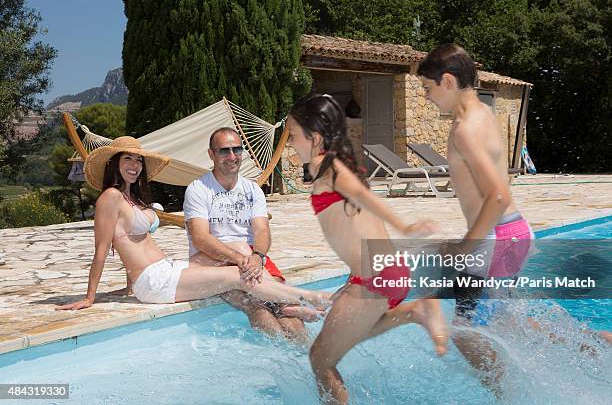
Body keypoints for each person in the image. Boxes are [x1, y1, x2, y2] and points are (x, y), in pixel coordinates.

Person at [286, 94, 449, 404]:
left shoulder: (326, 165)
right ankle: (415, 311)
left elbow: (363, 196)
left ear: (315, 136)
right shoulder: (332, 166)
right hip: (382, 273)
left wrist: (405, 227)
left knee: (320, 359)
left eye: (294, 135)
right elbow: (355, 230)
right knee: (345, 339)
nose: (291, 144)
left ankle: (418, 310)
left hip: (376, 278)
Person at [56, 136, 330, 312]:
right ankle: (309, 299)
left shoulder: (132, 199)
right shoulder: (110, 198)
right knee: (236, 276)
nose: (134, 165)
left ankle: (284, 305)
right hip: (154, 282)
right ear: (114, 163)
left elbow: (132, 242)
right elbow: (102, 250)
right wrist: (90, 297)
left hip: (165, 269)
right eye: (127, 159)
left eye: (138, 160)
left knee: (238, 253)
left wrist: (129, 286)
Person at [417, 44, 535, 396]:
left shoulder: (465, 129)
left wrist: (465, 247)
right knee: (506, 321)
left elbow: (496, 195)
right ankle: (597, 343)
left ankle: (508, 397)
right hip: (511, 231)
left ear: (448, 81)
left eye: (427, 88)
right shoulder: (483, 112)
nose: (425, 98)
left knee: (467, 332)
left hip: (495, 238)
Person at [183, 127, 308, 341]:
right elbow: (201, 238)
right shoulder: (198, 189)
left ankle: (309, 358)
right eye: (224, 151)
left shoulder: (252, 189)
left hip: (252, 257)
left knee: (285, 307)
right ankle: (281, 356)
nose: (232, 157)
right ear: (211, 154)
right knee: (258, 308)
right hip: (215, 261)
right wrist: (240, 260)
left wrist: (258, 256)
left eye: (236, 150)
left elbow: (261, 230)